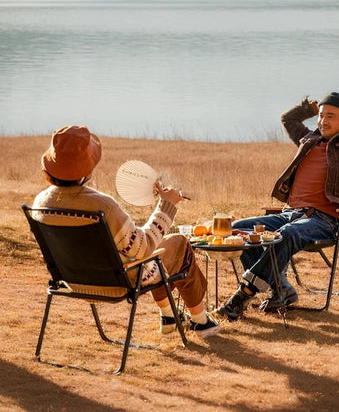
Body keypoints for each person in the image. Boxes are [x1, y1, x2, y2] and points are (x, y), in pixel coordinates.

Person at [216, 92, 339, 321]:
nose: (323, 121)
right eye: (321, 116)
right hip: (289, 215)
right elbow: (288, 119)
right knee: (240, 228)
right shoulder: (308, 140)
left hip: (326, 220)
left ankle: (241, 296)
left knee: (285, 235)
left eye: (330, 116)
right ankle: (280, 288)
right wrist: (309, 109)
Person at [33, 125, 221, 339]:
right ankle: (201, 322)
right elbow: (143, 248)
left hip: (70, 280)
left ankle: (169, 317)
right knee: (178, 244)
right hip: (117, 282)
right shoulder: (102, 206)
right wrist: (166, 206)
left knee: (159, 254)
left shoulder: (40, 203)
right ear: (88, 168)